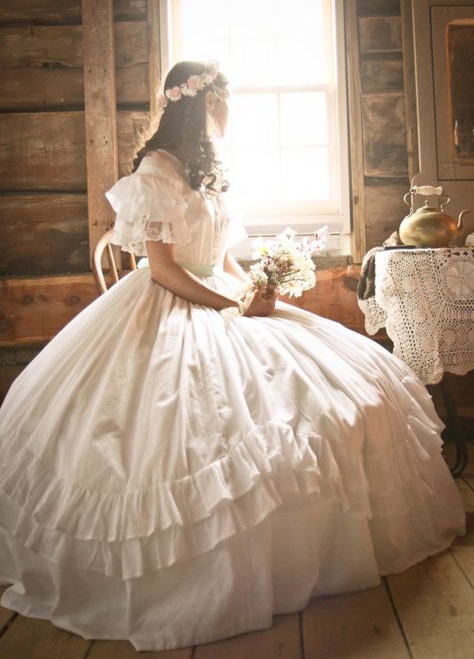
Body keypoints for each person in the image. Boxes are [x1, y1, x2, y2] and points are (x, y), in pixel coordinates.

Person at [0, 60, 465, 652]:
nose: (228, 112)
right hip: (168, 302)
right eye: (223, 101)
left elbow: (223, 257)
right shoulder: (156, 170)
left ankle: (313, 548)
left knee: (345, 385)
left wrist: (254, 290)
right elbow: (165, 270)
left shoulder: (211, 169)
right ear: (201, 103)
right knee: (199, 422)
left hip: (220, 294)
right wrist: (228, 304)